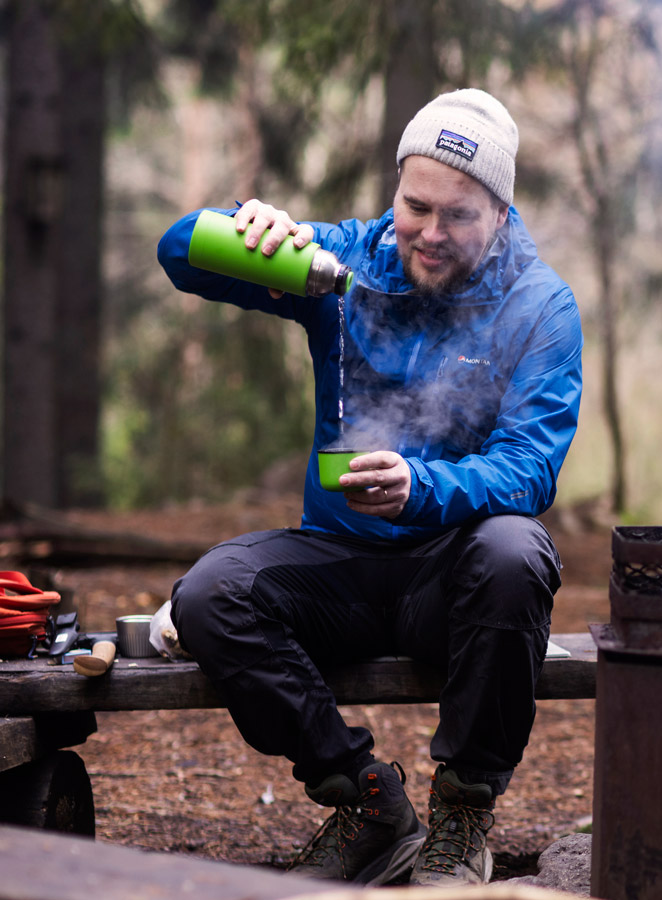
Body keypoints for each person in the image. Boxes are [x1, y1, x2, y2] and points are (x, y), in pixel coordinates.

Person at [154, 89, 583, 887]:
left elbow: (531, 468)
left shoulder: (540, 306)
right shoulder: (342, 263)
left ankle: (463, 812)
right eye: (414, 205)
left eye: (456, 216)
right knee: (211, 594)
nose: (427, 231)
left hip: (450, 583)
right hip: (339, 566)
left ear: (499, 211)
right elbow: (176, 254)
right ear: (395, 192)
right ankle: (369, 803)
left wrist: (422, 487)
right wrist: (251, 227)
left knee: (517, 550)